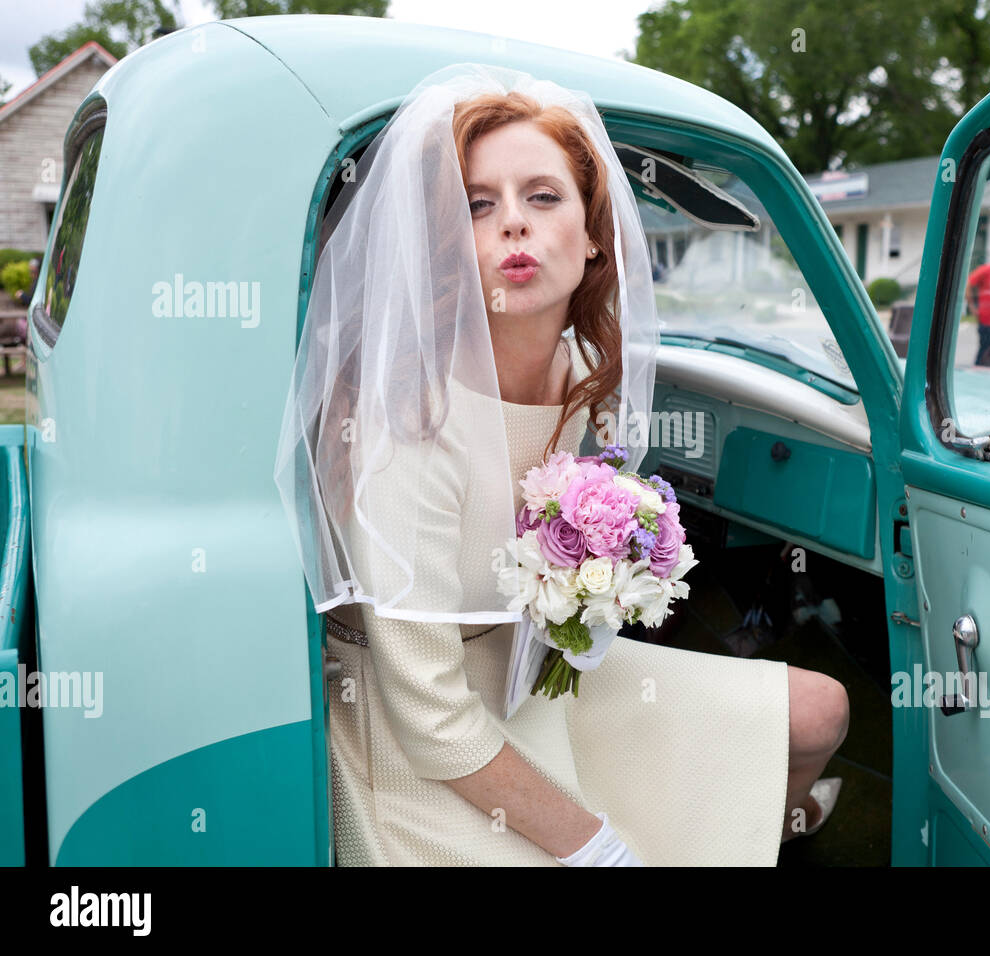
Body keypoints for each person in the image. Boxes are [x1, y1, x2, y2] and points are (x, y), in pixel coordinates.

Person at [274, 64, 849, 867]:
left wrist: (600, 589)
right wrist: (596, 847)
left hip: (530, 667)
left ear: (590, 240)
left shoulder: (588, 372)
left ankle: (763, 828)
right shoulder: (406, 417)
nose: (513, 223)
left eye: (542, 197)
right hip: (407, 721)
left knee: (821, 709)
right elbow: (431, 719)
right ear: (447, 245)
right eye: (478, 204)